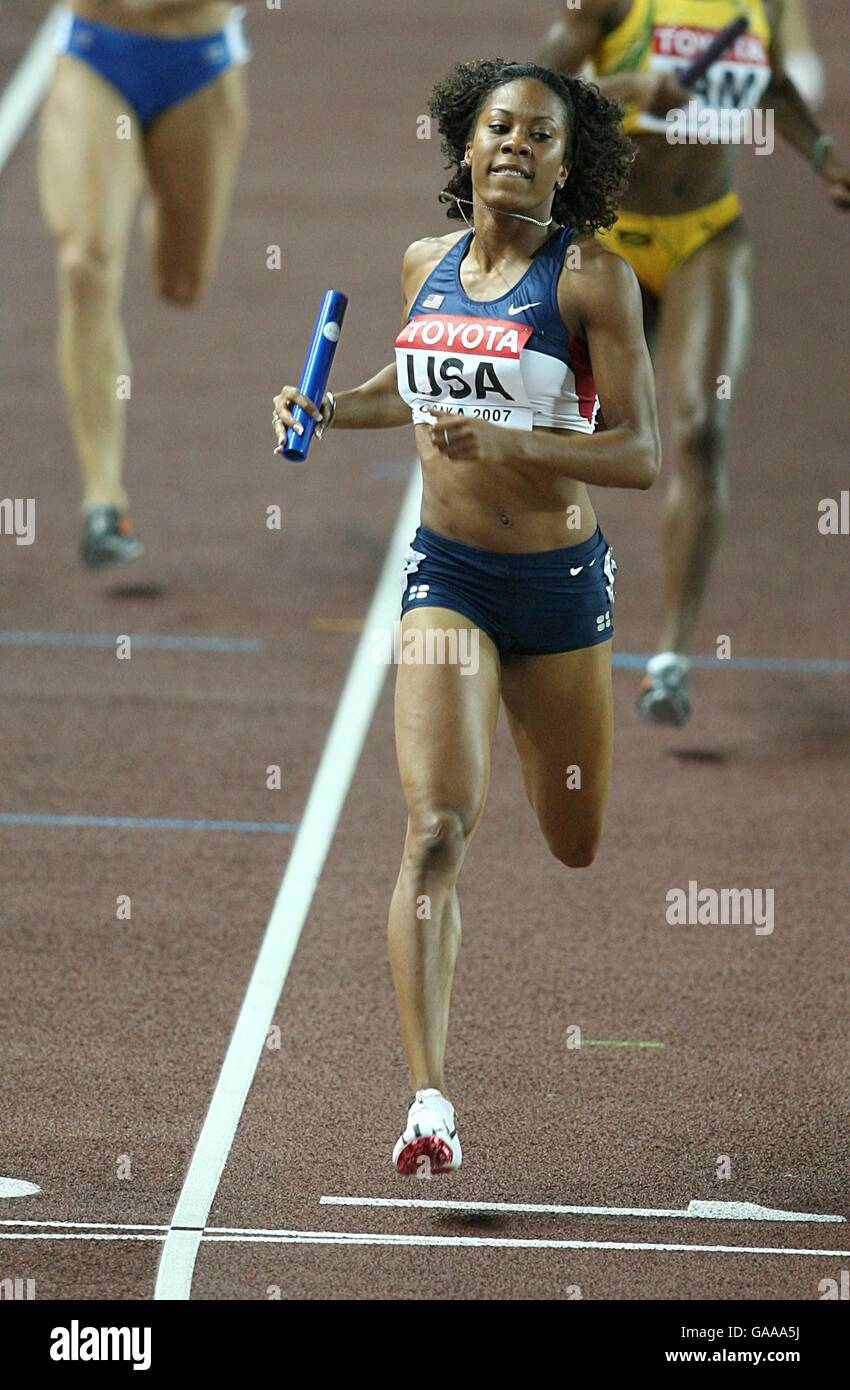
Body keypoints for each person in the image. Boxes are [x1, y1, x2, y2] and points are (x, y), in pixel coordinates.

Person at [273, 60, 661, 1174]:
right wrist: (325, 405)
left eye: (539, 135)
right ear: (463, 146)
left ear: (566, 160)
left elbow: (637, 452)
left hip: (558, 588)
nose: (515, 147)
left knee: (572, 842)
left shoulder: (590, 282)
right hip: (446, 576)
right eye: (497, 128)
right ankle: (429, 1102)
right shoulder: (422, 264)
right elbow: (409, 384)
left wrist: (513, 443)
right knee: (435, 829)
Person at [541, 0, 850, 725]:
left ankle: (670, 662)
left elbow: (769, 83)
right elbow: (531, 92)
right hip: (608, 237)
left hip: (706, 234)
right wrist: (629, 89)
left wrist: (823, 153)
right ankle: (519, 605)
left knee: (703, 428)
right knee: (560, 426)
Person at [39, 1, 250, 569]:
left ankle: (153, 179)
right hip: (95, 50)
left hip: (198, 61)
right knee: (84, 264)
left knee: (181, 283)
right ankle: (104, 499)